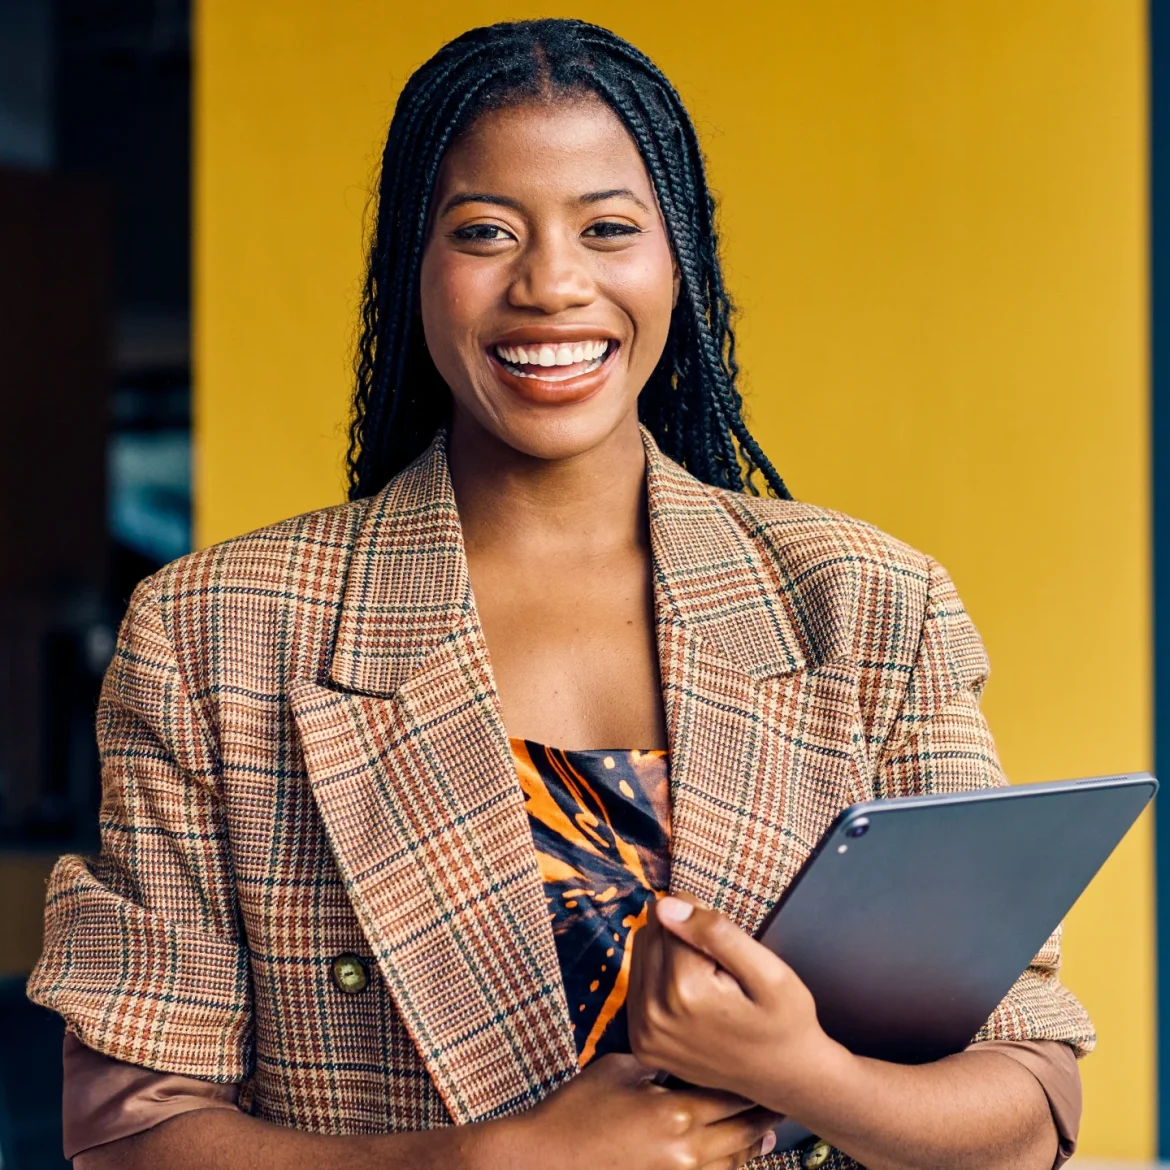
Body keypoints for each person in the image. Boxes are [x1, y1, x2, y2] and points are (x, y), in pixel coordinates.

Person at [29, 18, 1091, 1170]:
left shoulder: (870, 604)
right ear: (412, 267)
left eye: (608, 229)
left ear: (677, 260)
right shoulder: (214, 633)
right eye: (485, 232)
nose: (551, 284)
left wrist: (803, 1074)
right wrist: (503, 1160)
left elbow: (1029, 1106)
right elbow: (128, 1131)